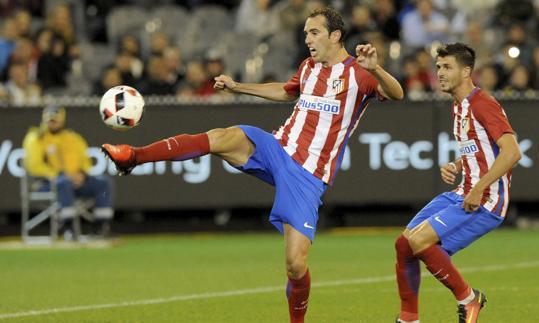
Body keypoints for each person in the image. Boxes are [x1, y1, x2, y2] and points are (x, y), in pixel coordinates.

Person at [102, 7, 403, 322]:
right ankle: (133, 156)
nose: (307, 39)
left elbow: (397, 94)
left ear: (335, 35)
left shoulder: (360, 73)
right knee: (223, 137)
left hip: (308, 174)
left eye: (314, 33)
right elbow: (288, 92)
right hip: (277, 147)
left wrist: (377, 68)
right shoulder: (308, 67)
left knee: (295, 264)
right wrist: (238, 87)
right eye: (305, 33)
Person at [394, 43, 522, 323]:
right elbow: (480, 150)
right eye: (438, 67)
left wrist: (478, 186)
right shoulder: (459, 107)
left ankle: (469, 299)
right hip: (463, 192)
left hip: (486, 200)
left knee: (419, 240)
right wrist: (457, 165)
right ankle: (409, 319)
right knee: (404, 244)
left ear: (466, 71)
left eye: (447, 67)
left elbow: (512, 152)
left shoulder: (482, 103)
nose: (439, 73)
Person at [23, 105, 114, 239]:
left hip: (75, 182)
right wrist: (60, 175)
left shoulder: (73, 138)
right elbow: (34, 166)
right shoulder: (36, 138)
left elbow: (85, 161)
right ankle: (68, 228)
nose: (52, 123)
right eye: (50, 120)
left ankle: (101, 227)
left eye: (55, 120)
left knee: (103, 182)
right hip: (46, 185)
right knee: (63, 182)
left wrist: (82, 174)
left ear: (62, 120)